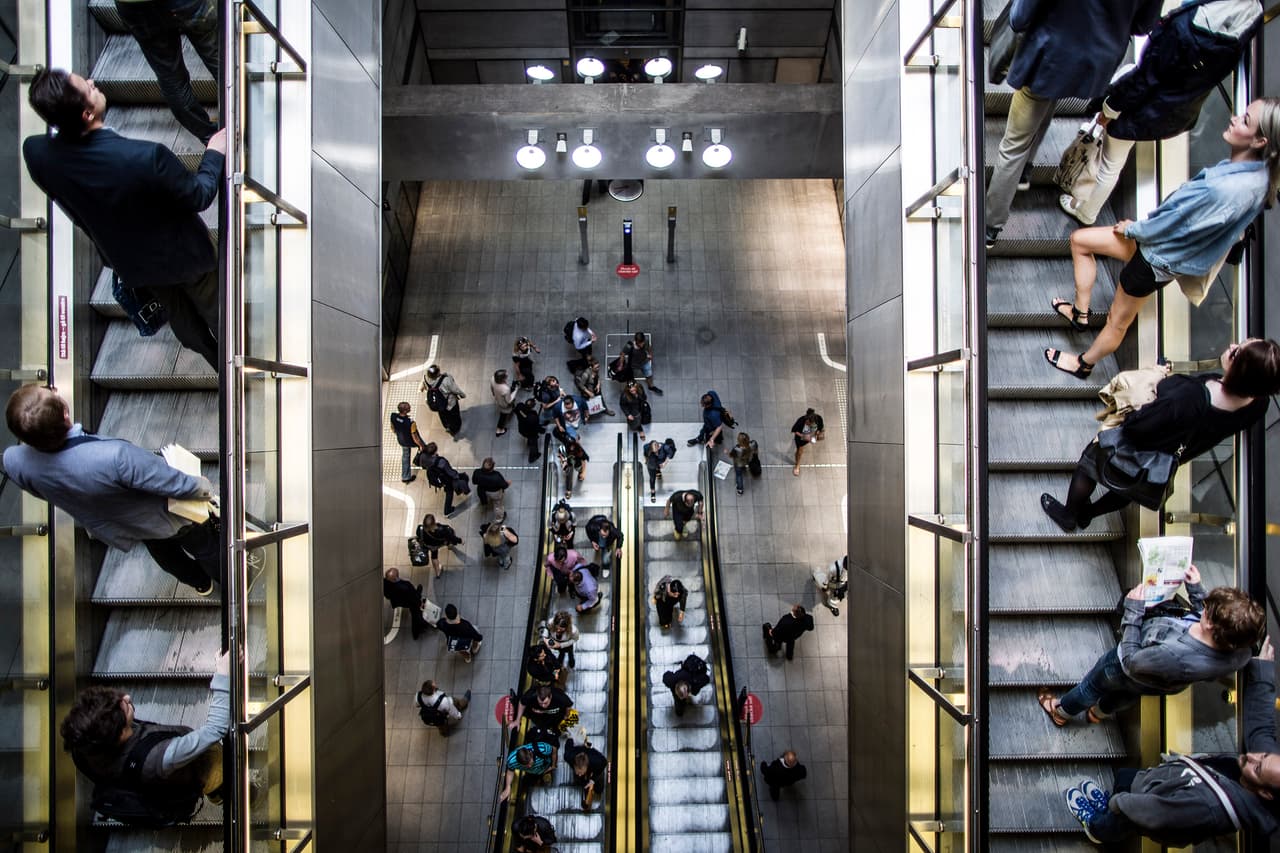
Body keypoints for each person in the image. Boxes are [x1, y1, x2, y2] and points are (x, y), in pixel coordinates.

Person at [1045, 99, 1280, 379]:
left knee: (1117, 321)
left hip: (1154, 259)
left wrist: (1134, 229)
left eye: (1245, 121)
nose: (1233, 118)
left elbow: (1177, 225)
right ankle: (1080, 314)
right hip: (1159, 248)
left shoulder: (1225, 189)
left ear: (1261, 141)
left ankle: (1084, 363)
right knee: (1080, 241)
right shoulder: (1259, 178)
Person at [23, 68, 227, 368]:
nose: (93, 82)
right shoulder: (145, 158)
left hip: (133, 263)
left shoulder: (38, 154)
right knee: (218, 310)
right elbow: (199, 194)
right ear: (87, 114)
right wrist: (214, 154)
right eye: (88, 89)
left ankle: (217, 362)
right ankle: (235, 358)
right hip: (185, 256)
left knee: (182, 321)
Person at [1059, 0, 1263, 226]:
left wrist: (1110, 108)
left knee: (1110, 162)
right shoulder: (1250, 17)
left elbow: (1144, 80)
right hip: (1176, 112)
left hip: (1143, 106)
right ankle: (1088, 210)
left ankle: (1086, 212)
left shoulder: (1185, 30)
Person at [1041, 339, 1280, 530]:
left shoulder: (1193, 396)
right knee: (1131, 486)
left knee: (1089, 465)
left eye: (1237, 352)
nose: (1231, 347)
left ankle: (1070, 515)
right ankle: (1088, 514)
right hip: (1169, 457)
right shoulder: (1258, 405)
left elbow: (1140, 425)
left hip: (1142, 441)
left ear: (1240, 372)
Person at [4, 385, 219, 594]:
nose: (54, 389)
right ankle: (223, 575)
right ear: (66, 414)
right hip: (169, 515)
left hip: (126, 522)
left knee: (165, 554)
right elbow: (173, 483)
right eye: (51, 391)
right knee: (204, 545)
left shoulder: (14, 461)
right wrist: (203, 487)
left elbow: (41, 490)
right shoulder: (114, 457)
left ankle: (199, 582)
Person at [983, 0, 1162, 249]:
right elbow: (1143, 25)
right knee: (1051, 94)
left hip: (1049, 53)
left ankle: (990, 225)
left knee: (1014, 144)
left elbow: (1022, 15)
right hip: (1094, 63)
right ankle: (1024, 170)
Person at [1064, 638, 1279, 844]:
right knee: (1125, 781)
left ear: (1265, 793)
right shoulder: (1265, 771)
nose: (1251, 756)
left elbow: (1157, 814)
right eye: (1264, 755)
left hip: (1148, 802)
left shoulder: (1209, 809)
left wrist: (1119, 803)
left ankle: (1096, 828)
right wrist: (1262, 674)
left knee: (1120, 819)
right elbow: (1261, 731)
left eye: (1258, 767)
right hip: (1161, 781)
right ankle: (1110, 808)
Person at [1038, 570, 1263, 725]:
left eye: (1208, 608)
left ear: (1211, 625)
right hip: (1160, 682)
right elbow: (1212, 620)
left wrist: (1134, 610)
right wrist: (1196, 589)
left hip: (1125, 666)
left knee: (1093, 686)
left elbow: (1131, 662)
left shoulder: (1176, 657)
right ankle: (1098, 713)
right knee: (1129, 694)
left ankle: (1061, 711)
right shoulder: (1239, 651)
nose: (1204, 607)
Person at [62, 650, 230, 813]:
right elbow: (215, 730)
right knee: (218, 774)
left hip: (151, 777)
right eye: (125, 708)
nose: (127, 697)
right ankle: (229, 794)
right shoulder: (158, 757)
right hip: (194, 771)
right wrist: (223, 674)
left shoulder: (84, 745)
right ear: (120, 734)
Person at [114, 0, 219, 143]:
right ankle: (250, 111)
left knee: (171, 79)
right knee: (218, 55)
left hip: (134, 7)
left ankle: (211, 138)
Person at [383, 567, 431, 639]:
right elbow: (413, 598)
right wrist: (420, 603)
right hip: (410, 601)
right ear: (396, 578)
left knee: (415, 610)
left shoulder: (385, 583)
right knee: (416, 615)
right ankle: (417, 632)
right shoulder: (406, 586)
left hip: (399, 601)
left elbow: (387, 595)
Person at [421, 442, 467, 516]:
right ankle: (447, 509)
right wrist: (456, 476)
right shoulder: (441, 461)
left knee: (449, 490)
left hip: (436, 478)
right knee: (450, 492)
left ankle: (448, 508)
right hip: (445, 479)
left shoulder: (423, 456)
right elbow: (450, 472)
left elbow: (423, 465)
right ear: (435, 451)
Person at [564, 737, 609, 809]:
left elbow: (604, 762)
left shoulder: (596, 761)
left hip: (592, 757)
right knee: (579, 780)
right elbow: (569, 741)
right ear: (574, 765)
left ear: (587, 767)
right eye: (578, 772)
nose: (579, 774)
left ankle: (587, 746)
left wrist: (592, 780)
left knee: (599, 789)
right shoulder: (568, 756)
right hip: (577, 750)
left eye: (581, 772)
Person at [510, 683, 574, 733]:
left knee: (554, 727)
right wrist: (517, 720)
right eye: (540, 703)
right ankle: (514, 699)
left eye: (545, 703)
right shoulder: (531, 695)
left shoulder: (559, 696)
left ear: (550, 697)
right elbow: (522, 703)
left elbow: (569, 705)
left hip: (554, 717)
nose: (543, 706)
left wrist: (566, 715)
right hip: (537, 716)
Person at [421, 364, 465, 437]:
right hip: (449, 403)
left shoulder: (426, 378)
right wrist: (462, 395)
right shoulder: (446, 380)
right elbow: (455, 389)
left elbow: (424, 386)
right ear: (438, 373)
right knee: (454, 415)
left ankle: (446, 425)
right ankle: (454, 429)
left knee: (443, 415)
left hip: (438, 403)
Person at [415, 513, 461, 579]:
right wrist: (460, 541)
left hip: (428, 546)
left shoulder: (420, 529)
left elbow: (418, 536)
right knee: (448, 541)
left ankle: (437, 572)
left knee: (434, 557)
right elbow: (451, 537)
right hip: (439, 544)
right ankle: (449, 546)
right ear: (434, 522)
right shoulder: (441, 530)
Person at [390, 401, 426, 484]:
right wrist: (420, 445)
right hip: (410, 441)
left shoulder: (393, 416)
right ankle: (426, 463)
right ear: (405, 411)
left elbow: (393, 429)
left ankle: (405, 477)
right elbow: (415, 437)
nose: (410, 408)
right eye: (409, 407)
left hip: (401, 440)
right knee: (425, 448)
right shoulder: (410, 422)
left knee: (405, 457)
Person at [585, 514, 622, 580]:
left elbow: (620, 536)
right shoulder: (593, 527)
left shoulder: (613, 531)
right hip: (597, 542)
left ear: (609, 531)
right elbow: (587, 528)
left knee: (606, 558)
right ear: (599, 530)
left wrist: (618, 547)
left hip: (608, 544)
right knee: (597, 555)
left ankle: (606, 566)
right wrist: (592, 541)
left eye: (605, 535)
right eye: (602, 535)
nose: (603, 536)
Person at [790, 408, 825, 476]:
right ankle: (797, 465)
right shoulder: (801, 420)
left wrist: (817, 433)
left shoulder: (818, 418)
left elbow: (821, 427)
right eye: (806, 422)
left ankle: (813, 439)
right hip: (801, 438)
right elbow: (794, 430)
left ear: (813, 422)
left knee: (820, 438)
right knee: (799, 451)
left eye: (808, 423)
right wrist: (803, 436)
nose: (807, 423)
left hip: (812, 436)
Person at [644, 437, 676, 502]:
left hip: (660, 461)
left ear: (658, 446)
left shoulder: (665, 448)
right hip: (652, 463)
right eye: (653, 451)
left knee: (658, 466)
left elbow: (669, 456)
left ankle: (658, 470)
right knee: (652, 477)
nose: (655, 452)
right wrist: (645, 460)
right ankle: (653, 492)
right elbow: (645, 453)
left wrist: (665, 463)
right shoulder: (647, 446)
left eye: (656, 451)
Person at [515, 397, 545, 464]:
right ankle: (533, 457)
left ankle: (529, 442)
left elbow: (516, 410)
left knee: (529, 438)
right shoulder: (533, 417)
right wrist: (541, 430)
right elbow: (536, 427)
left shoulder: (520, 406)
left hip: (522, 428)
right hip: (531, 432)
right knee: (534, 444)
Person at [490, 369, 516, 436]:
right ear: (502, 379)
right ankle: (499, 430)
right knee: (503, 416)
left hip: (498, 399)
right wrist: (516, 391)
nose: (507, 375)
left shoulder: (493, 378)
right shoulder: (505, 389)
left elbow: (492, 389)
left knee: (504, 414)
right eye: (506, 375)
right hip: (504, 405)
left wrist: (494, 395)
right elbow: (509, 401)